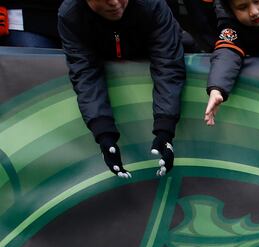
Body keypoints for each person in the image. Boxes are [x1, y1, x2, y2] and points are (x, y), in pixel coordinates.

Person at [58, 0, 185, 178]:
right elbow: (85, 74)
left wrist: (165, 128)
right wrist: (103, 134)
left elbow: (168, 67)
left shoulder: (153, 5)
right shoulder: (70, 15)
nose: (115, 3)